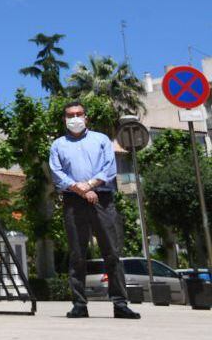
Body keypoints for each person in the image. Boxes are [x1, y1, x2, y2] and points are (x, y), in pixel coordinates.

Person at [50, 101, 141, 320]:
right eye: (70, 115)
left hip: (102, 199)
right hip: (73, 201)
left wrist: (90, 186)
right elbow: (57, 172)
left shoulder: (101, 139)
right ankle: (79, 305)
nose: (75, 118)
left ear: (86, 117)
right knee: (77, 255)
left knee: (111, 252)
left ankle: (120, 304)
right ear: (65, 119)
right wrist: (80, 190)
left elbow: (109, 169)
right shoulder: (58, 145)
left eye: (79, 114)